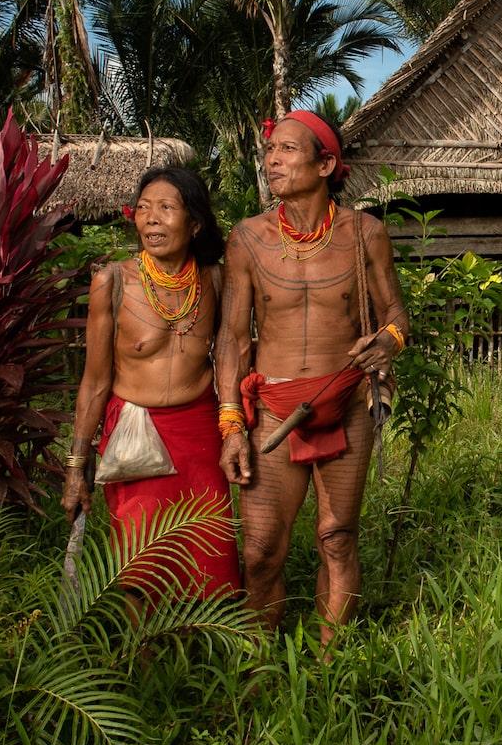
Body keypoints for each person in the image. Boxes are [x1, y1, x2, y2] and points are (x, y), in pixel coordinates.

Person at [214, 110, 407, 648]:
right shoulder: (248, 240)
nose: (272, 160)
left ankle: (329, 669)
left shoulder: (364, 233)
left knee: (338, 538)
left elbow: (396, 312)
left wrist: (387, 341)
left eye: (287, 150)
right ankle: (254, 666)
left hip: (344, 402)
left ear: (326, 164)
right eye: (269, 150)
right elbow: (232, 339)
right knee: (259, 551)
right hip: (274, 409)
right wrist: (231, 423)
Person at [60, 166, 242, 602]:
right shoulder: (112, 281)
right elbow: (95, 380)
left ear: (194, 223)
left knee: (211, 561)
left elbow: (231, 352)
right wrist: (75, 466)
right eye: (143, 209)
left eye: (165, 208)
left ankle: (205, 661)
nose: (151, 219)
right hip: (134, 437)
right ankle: (143, 662)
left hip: (198, 434)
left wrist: (233, 428)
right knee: (142, 568)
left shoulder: (214, 280)